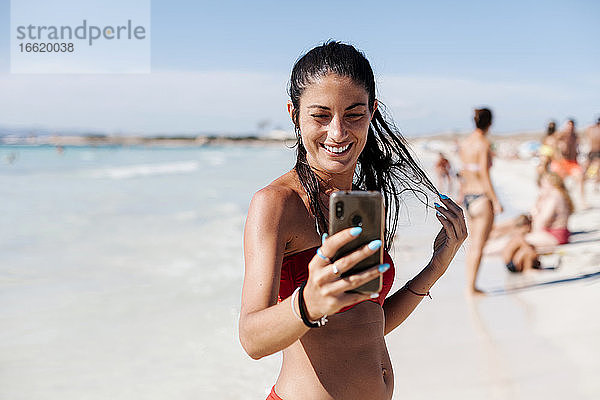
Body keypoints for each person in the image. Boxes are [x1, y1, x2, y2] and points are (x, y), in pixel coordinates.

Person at [239, 41, 467, 400]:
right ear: (294, 114)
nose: (337, 132)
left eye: (354, 114)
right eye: (320, 115)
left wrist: (436, 267)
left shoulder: (357, 203)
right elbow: (252, 339)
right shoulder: (276, 204)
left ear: (372, 112)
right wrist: (308, 303)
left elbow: (364, 326)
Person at [458, 108, 502, 295]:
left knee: (472, 245)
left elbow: (463, 171)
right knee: (479, 245)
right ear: (490, 123)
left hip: (468, 196)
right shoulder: (484, 144)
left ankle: (470, 284)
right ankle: (471, 287)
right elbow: (484, 173)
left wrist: (461, 194)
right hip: (482, 198)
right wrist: (495, 200)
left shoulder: (465, 143)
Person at [550, 119, 585, 205]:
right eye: (568, 125)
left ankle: (582, 201)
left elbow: (578, 147)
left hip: (573, 162)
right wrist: (559, 147)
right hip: (563, 162)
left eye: (572, 125)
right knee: (558, 183)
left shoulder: (575, 136)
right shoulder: (561, 134)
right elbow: (552, 142)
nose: (570, 127)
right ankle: (557, 201)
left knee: (580, 178)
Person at [584, 117, 600, 189]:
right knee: (588, 168)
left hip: (595, 152)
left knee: (596, 167)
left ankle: (595, 184)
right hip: (592, 152)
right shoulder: (591, 129)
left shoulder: (591, 129)